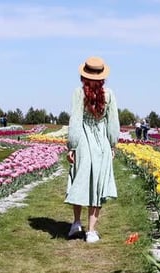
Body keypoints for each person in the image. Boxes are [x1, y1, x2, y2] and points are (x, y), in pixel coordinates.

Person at [65, 56, 120, 243]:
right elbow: (113, 123)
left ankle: (76, 223)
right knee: (98, 184)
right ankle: (91, 231)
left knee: (80, 179)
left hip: (82, 141)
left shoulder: (78, 93)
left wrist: (72, 146)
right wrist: (112, 144)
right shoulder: (109, 94)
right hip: (102, 143)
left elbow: (75, 121)